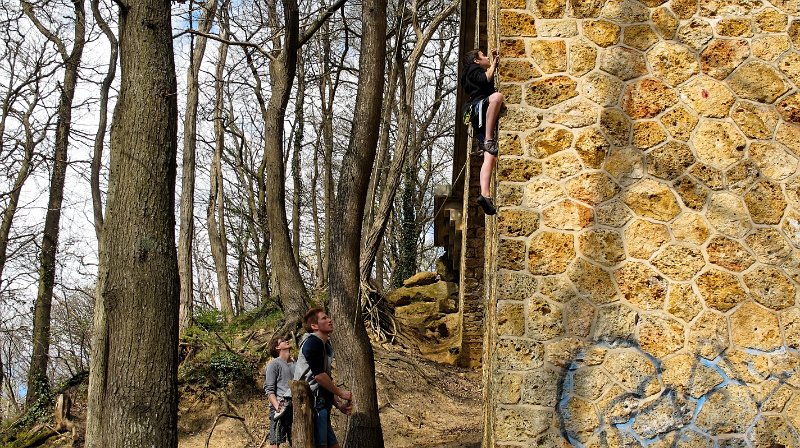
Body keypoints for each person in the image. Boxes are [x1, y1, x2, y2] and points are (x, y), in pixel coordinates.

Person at [294, 308, 352, 448]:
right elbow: (319, 377)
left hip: (321, 403)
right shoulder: (312, 343)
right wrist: (341, 393)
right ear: (314, 326)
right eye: (324, 318)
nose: (329, 320)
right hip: (312, 404)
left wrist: (338, 404)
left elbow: (325, 381)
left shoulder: (323, 344)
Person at [461, 48, 504, 215]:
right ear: (476, 60)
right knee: (497, 97)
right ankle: (488, 138)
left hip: (478, 114)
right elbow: (485, 79)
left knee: (490, 155)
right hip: (479, 109)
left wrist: (492, 62)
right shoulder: (473, 69)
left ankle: (485, 194)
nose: (486, 57)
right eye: (483, 55)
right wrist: (493, 65)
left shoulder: (469, 74)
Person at [265, 336, 295, 448]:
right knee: (275, 443)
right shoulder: (274, 364)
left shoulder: (296, 363)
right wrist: (278, 407)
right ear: (277, 347)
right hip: (279, 408)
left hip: (295, 408)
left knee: (297, 441)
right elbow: (269, 390)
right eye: (283, 341)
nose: (287, 341)